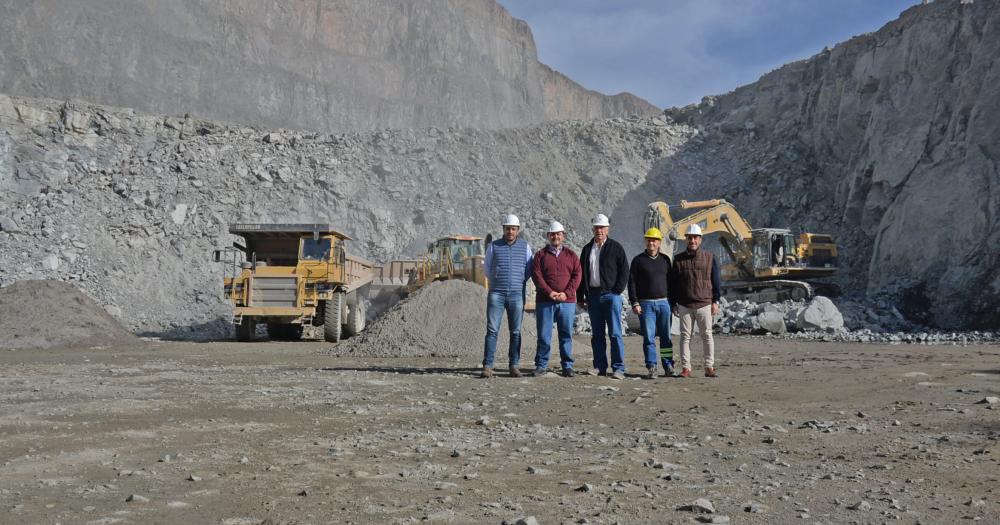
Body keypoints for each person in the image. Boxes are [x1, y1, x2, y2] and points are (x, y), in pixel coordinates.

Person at [577, 213, 629, 380]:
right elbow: (581, 274)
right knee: (597, 335)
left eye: (602, 227)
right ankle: (600, 366)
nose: (599, 230)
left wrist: (617, 291)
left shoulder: (616, 247)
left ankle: (618, 368)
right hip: (593, 296)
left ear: (608, 229)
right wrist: (580, 296)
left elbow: (624, 271)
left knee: (615, 333)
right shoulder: (587, 249)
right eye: (596, 227)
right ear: (593, 228)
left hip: (611, 296)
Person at [481, 214, 532, 378]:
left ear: (518, 230)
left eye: (513, 229)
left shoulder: (525, 247)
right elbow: (487, 269)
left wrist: (517, 280)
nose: (510, 231)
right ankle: (488, 366)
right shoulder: (494, 246)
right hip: (496, 293)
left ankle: (514, 366)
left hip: (516, 294)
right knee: (492, 330)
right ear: (503, 229)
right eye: (508, 228)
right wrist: (498, 280)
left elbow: (528, 269)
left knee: (515, 332)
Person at [668, 224, 721, 378]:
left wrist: (715, 300)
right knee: (685, 337)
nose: (692, 240)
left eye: (695, 238)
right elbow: (672, 284)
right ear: (686, 239)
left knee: (707, 335)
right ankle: (686, 368)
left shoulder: (710, 258)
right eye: (690, 238)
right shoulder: (678, 260)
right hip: (684, 305)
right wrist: (673, 303)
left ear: (700, 239)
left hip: (704, 303)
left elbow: (716, 281)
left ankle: (709, 367)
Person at [531, 220, 582, 377]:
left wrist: (566, 293)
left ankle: (567, 366)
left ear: (563, 236)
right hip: (546, 302)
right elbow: (536, 275)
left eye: (558, 234)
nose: (555, 237)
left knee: (566, 335)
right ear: (548, 236)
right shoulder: (540, 255)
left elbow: (577, 275)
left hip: (567, 302)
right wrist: (549, 292)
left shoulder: (571, 255)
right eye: (552, 234)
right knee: (544, 336)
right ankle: (541, 365)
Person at [628, 227, 674, 379]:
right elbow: (632, 283)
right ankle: (652, 366)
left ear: (659, 242)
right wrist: (635, 302)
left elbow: (672, 283)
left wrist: (673, 303)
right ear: (645, 241)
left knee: (666, 337)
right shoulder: (638, 261)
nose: (651, 243)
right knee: (649, 338)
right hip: (646, 304)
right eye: (649, 240)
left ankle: (668, 365)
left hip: (664, 304)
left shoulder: (665, 260)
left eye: (654, 240)